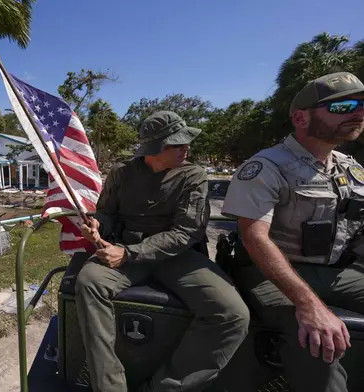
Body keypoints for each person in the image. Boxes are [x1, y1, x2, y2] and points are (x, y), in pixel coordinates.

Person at [75, 111, 250, 392]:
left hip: (176, 256)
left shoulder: (193, 175)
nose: (186, 148)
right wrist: (97, 224)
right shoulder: (122, 173)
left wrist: (129, 253)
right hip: (125, 251)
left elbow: (186, 232)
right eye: (176, 144)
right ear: (154, 148)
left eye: (185, 142)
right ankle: (109, 386)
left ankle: (164, 386)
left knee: (232, 314)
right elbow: (108, 213)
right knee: (88, 282)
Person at [222, 71, 364, 392]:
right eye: (343, 106)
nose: (358, 113)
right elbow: (254, 238)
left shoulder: (349, 168)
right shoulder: (267, 167)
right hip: (272, 273)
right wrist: (309, 305)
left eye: (362, 105)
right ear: (300, 117)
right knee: (318, 343)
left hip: (337, 272)